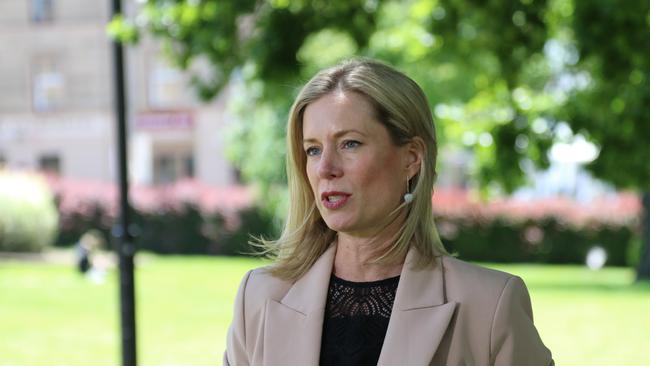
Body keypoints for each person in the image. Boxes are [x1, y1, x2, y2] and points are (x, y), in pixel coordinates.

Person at [224, 59, 553, 365]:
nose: (325, 168)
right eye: (313, 149)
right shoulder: (260, 297)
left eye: (349, 143)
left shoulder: (490, 305)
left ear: (411, 158)